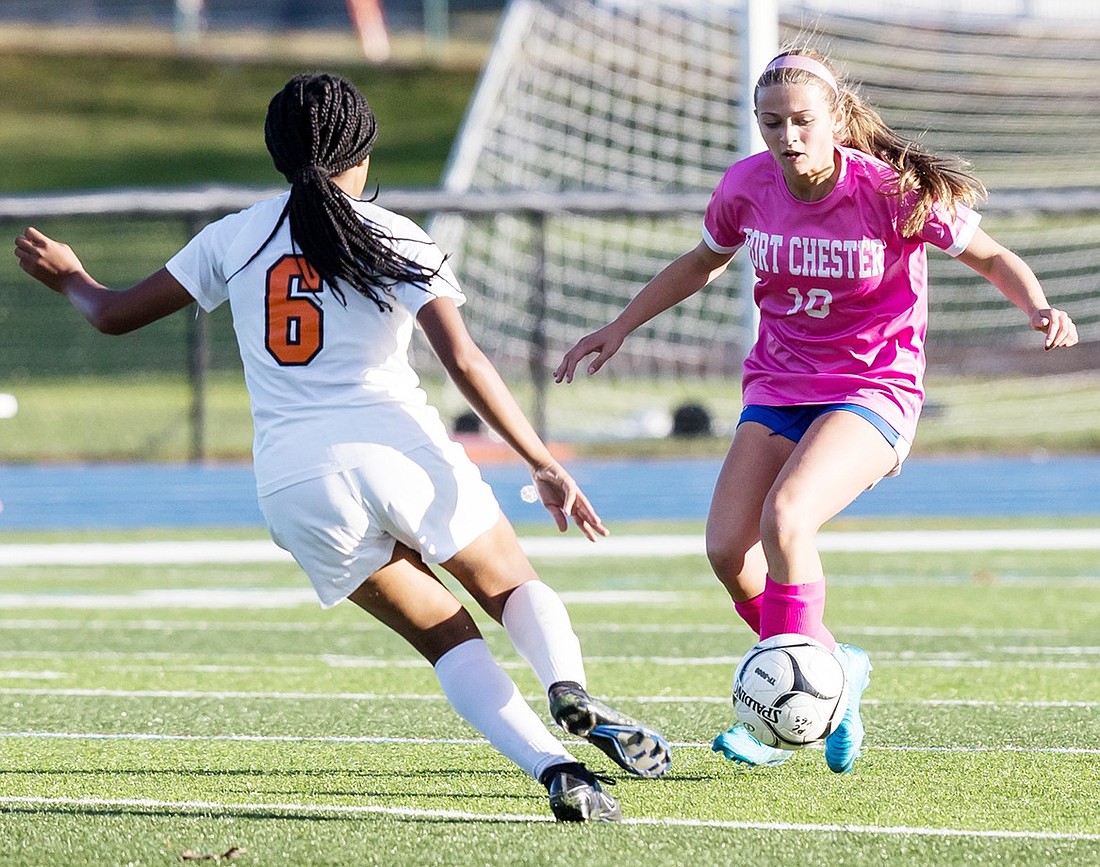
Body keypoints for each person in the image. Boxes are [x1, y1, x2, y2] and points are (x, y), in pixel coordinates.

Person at [14, 72, 671, 821]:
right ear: (362, 149)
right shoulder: (394, 232)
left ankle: (556, 770)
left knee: (448, 640)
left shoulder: (234, 234)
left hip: (297, 482)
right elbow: (465, 361)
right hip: (397, 448)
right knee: (510, 586)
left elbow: (111, 314)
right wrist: (542, 462)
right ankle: (567, 686)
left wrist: (70, 276)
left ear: (276, 153)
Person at [555, 48, 1078, 774]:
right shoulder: (746, 186)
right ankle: (834, 675)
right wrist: (620, 325)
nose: (788, 136)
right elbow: (701, 262)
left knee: (788, 516)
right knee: (726, 551)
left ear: (835, 119)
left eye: (803, 121)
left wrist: (1039, 305)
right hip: (777, 385)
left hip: (873, 387)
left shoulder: (890, 192)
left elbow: (991, 257)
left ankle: (777, 723)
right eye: (772, 123)